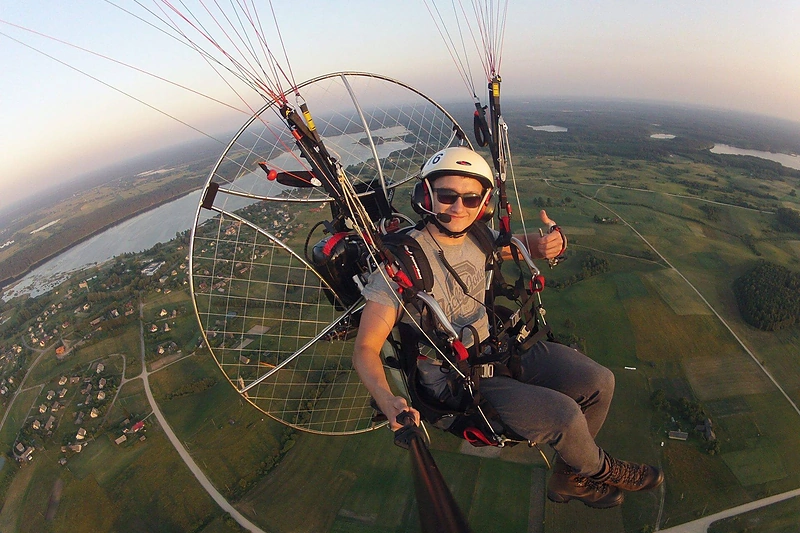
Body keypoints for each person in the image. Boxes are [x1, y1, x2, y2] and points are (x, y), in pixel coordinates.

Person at [352, 146, 663, 509]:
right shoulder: (402, 263)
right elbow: (366, 348)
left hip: (498, 348)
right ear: (427, 196)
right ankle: (601, 469)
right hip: (458, 380)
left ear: (482, 203)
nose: (458, 208)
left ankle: (570, 479)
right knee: (564, 417)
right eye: (447, 196)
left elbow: (511, 247)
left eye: (470, 199)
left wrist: (547, 246)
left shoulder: (477, 235)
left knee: (600, 382)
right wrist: (388, 400)